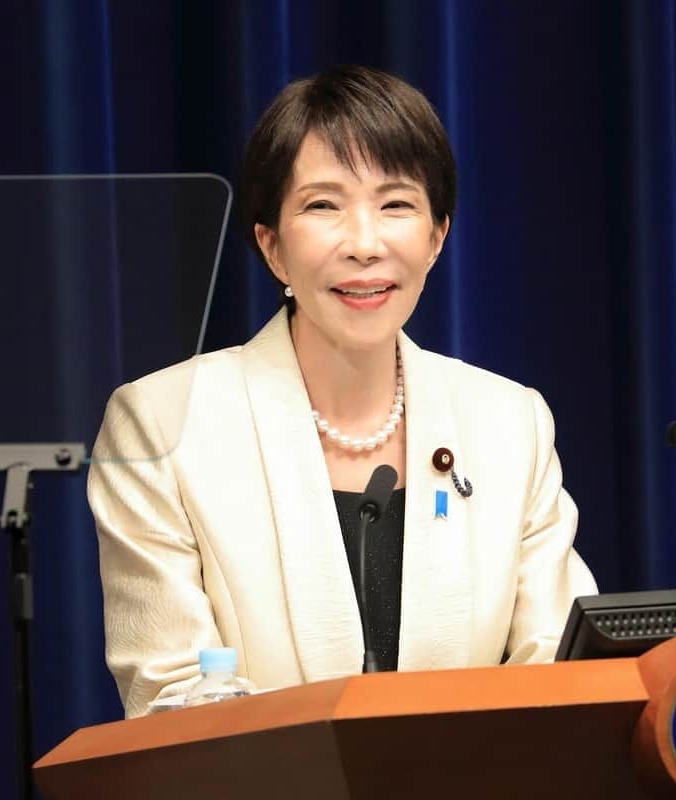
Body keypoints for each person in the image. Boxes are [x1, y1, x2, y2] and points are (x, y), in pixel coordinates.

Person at [88, 65, 597, 719]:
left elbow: (559, 666)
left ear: (437, 236)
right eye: (323, 206)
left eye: (396, 205)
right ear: (272, 246)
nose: (364, 244)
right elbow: (174, 695)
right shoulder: (164, 423)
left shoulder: (508, 423)